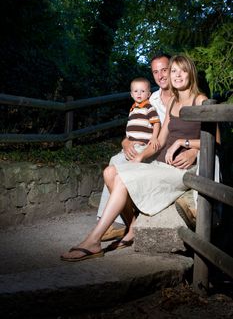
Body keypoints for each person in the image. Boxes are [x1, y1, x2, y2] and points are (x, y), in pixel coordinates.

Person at [61, 54, 207, 262]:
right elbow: (160, 139)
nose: (176, 75)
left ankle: (93, 240)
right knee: (110, 172)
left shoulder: (200, 100)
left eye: (181, 70)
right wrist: (139, 157)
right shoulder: (173, 102)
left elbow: (216, 141)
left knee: (120, 178)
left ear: (190, 72)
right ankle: (132, 228)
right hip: (163, 163)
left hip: (182, 169)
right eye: (173, 71)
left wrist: (187, 144)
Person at [99, 53, 198, 242]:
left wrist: (192, 148)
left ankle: (122, 225)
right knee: (116, 161)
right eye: (155, 72)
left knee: (121, 167)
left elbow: (203, 136)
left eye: (165, 70)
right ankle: (120, 222)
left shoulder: (189, 98)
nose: (161, 75)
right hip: (151, 147)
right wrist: (126, 142)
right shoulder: (151, 98)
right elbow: (139, 128)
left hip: (165, 153)